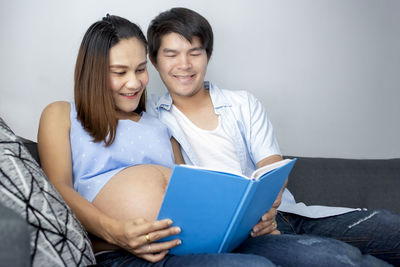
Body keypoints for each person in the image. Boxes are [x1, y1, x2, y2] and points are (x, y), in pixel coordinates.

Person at [147, 7, 400, 266]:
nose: (185, 65)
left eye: (195, 52)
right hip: (243, 236)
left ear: (208, 56)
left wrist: (266, 209)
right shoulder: (150, 116)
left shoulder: (242, 103)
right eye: (171, 55)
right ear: (154, 61)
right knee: (335, 258)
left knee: (390, 226)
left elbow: (272, 166)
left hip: (286, 213)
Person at [37, 14, 276, 266]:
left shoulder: (160, 123)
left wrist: (249, 217)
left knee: (315, 256)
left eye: (141, 69)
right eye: (120, 72)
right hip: (122, 251)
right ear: (93, 72)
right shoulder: (62, 114)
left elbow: (189, 189)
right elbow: (58, 189)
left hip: (186, 246)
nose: (134, 82)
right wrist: (114, 231)